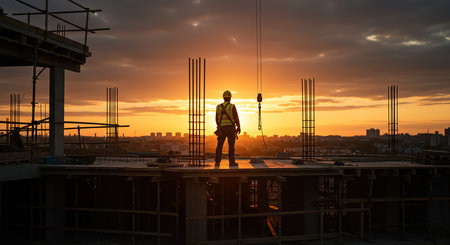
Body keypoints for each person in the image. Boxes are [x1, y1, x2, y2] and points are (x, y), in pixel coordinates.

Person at [215, 90, 241, 167]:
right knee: (231, 146)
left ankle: (217, 162)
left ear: (223, 97)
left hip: (222, 129)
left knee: (219, 146)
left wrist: (219, 126)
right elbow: (236, 117)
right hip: (230, 128)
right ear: (230, 98)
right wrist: (238, 127)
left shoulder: (218, 107)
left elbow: (216, 119)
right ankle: (232, 162)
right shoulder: (232, 106)